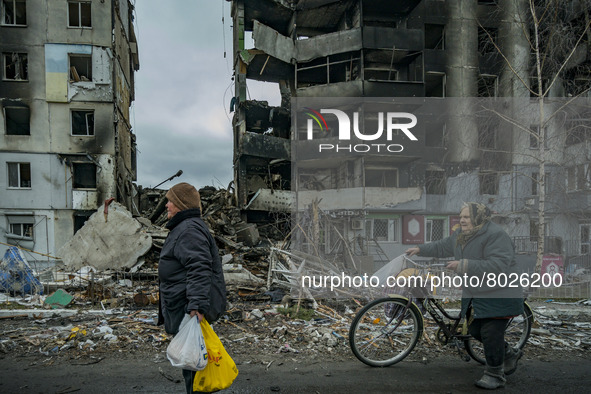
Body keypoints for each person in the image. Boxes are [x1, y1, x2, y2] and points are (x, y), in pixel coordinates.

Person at [405, 202, 524, 390]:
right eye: (461, 216)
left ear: (479, 217)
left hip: (499, 292)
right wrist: (420, 249)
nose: (462, 219)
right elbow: (443, 246)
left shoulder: (495, 235)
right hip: (477, 292)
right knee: (475, 330)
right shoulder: (462, 235)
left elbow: (498, 265)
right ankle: (509, 353)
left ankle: (495, 374)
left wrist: (463, 265)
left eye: (467, 217)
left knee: (490, 332)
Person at [157, 182, 227, 394]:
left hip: (188, 307)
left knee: (193, 361)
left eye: (170, 201)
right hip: (185, 305)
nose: (167, 205)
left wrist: (196, 306)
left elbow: (199, 267)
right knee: (191, 361)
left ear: (181, 204)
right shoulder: (186, 228)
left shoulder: (188, 230)